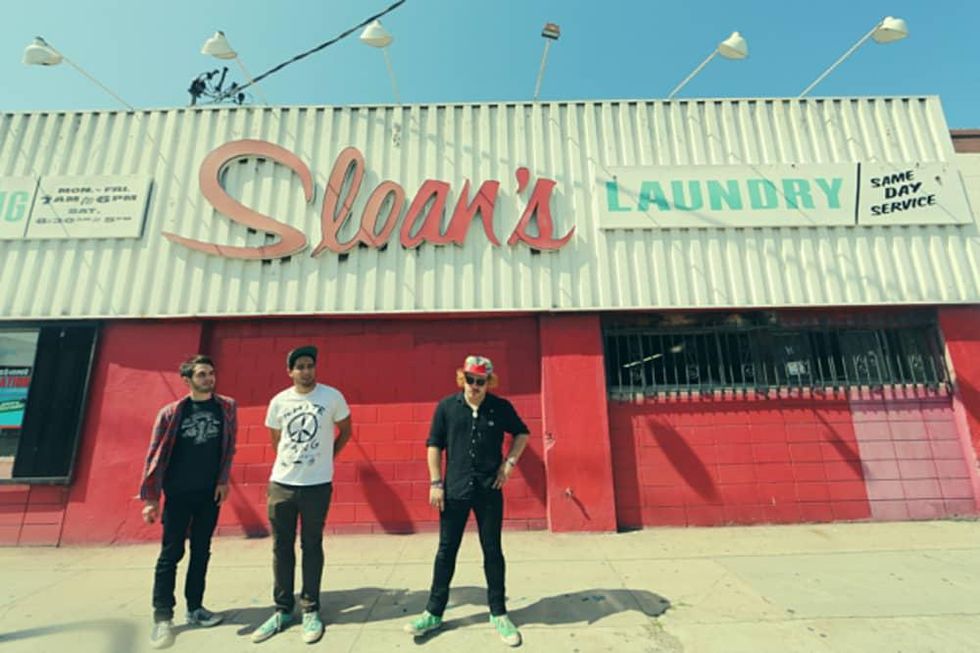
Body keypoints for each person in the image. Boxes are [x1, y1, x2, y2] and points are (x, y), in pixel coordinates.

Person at [405, 355, 530, 647]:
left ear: (489, 382)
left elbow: (522, 432)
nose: (475, 386)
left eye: (481, 381)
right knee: (446, 551)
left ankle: (498, 612)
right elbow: (434, 445)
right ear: (463, 378)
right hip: (454, 490)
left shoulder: (500, 408)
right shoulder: (447, 407)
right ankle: (433, 612)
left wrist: (509, 464)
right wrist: (436, 482)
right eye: (470, 379)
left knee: (492, 550)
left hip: (489, 489)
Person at [252, 345, 353, 644]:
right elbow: (276, 438)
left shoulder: (331, 396)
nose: (306, 371)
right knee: (282, 548)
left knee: (312, 545)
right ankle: (283, 609)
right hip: (281, 484)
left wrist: (327, 458)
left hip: (317, 486)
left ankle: (310, 608)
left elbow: (345, 430)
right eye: (300, 367)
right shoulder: (279, 401)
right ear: (290, 371)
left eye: (310, 365)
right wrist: (290, 464)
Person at [139, 355, 238, 650]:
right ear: (188, 380)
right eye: (202, 374)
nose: (209, 378)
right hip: (178, 494)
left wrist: (222, 481)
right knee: (171, 554)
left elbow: (229, 448)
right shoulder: (172, 413)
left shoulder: (227, 408)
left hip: (209, 494)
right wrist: (151, 498)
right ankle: (163, 617)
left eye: (211, 373)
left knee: (201, 551)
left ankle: (195, 607)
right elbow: (155, 455)